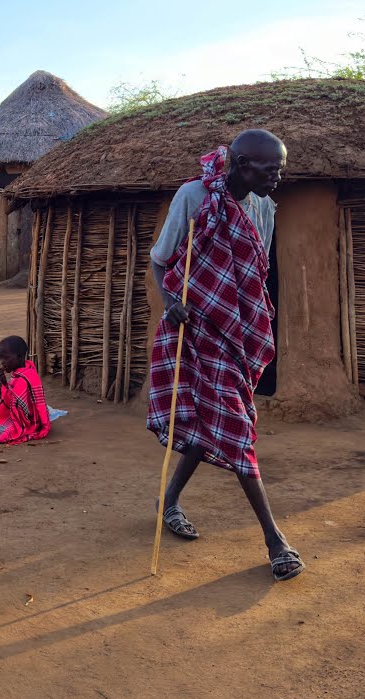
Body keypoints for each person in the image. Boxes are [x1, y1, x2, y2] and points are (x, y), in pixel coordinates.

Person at [147, 128, 303, 582]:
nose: (278, 176)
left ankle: (168, 501)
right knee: (235, 425)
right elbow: (160, 259)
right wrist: (169, 300)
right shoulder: (194, 198)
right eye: (270, 169)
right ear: (241, 165)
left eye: (280, 168)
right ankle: (276, 542)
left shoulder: (264, 208)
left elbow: (252, 275)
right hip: (195, 329)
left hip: (237, 332)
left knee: (208, 419)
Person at [0, 336, 51, 444]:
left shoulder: (24, 378)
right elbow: (11, 401)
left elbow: (16, 406)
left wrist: (3, 387)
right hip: (12, 413)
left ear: (19, 357)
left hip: (23, 421)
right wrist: (0, 390)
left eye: (5, 358)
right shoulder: (19, 374)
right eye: (0, 358)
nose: (2, 362)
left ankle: (1, 426)